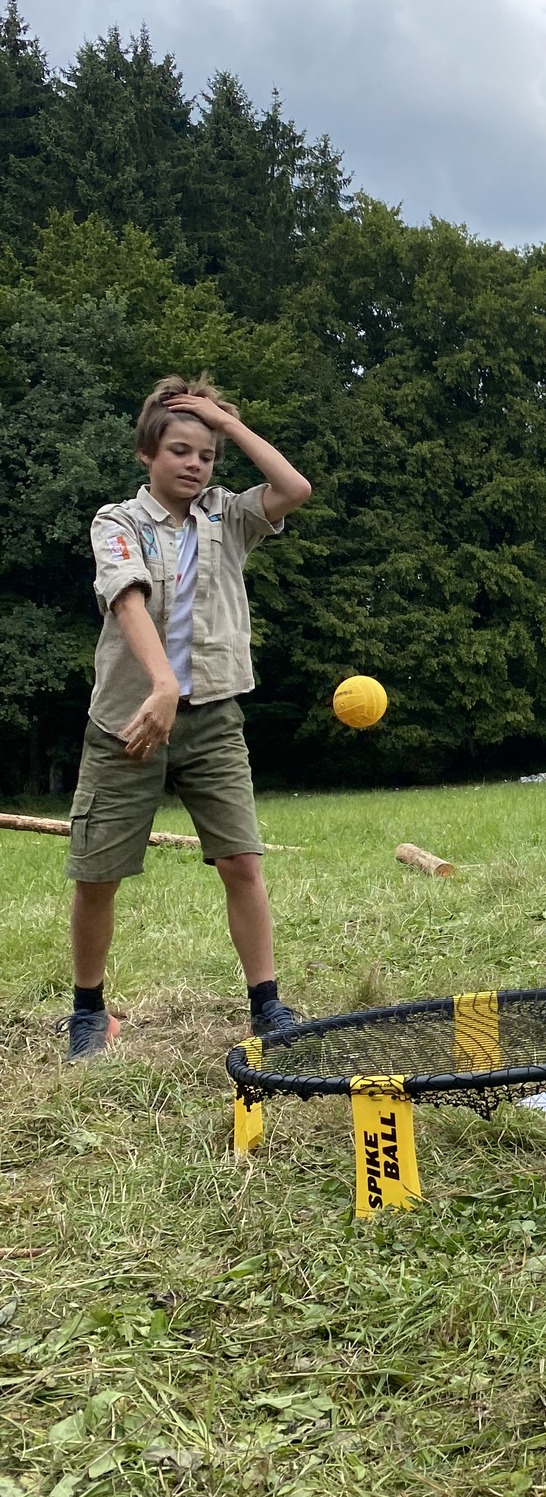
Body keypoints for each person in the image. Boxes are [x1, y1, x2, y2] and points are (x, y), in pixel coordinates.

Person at [61, 375, 312, 1061]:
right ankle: (89, 1012)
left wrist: (227, 424)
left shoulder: (228, 517)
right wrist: (162, 683)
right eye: (179, 449)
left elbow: (294, 488)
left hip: (213, 721)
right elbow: (126, 597)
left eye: (206, 454)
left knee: (242, 862)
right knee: (97, 874)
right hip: (127, 722)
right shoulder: (117, 522)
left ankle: (267, 1004)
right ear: (147, 452)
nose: (195, 464)